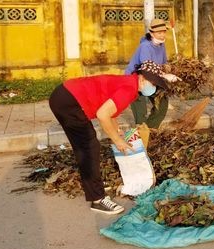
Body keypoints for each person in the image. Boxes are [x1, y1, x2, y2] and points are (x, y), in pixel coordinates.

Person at [49, 60, 180, 215]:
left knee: (86, 145)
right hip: (69, 102)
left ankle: (93, 184)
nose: (155, 87)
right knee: (88, 146)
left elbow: (110, 110)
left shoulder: (130, 83)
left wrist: (117, 130)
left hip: (65, 95)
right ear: (143, 78)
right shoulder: (129, 89)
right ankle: (97, 199)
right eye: (154, 83)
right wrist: (118, 141)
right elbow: (103, 115)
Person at [125, 19, 171, 128]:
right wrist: (164, 75)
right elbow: (147, 67)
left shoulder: (161, 45)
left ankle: (150, 131)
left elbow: (164, 63)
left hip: (153, 79)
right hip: (136, 80)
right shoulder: (145, 46)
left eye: (164, 32)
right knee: (141, 114)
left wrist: (169, 69)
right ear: (151, 33)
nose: (162, 35)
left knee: (162, 105)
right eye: (159, 33)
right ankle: (142, 134)